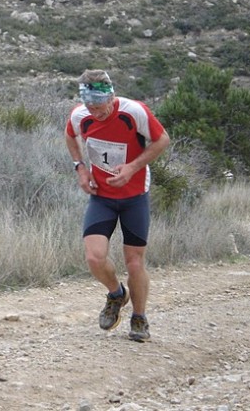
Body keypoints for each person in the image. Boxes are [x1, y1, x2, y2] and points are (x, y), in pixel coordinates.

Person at [65, 69, 170, 342]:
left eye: (99, 107)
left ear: (111, 96)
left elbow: (162, 140)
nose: (95, 113)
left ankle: (139, 317)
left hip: (134, 197)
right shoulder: (80, 115)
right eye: (90, 106)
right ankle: (116, 294)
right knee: (94, 257)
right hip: (102, 197)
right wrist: (81, 169)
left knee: (134, 262)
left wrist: (133, 167)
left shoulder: (134, 112)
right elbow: (70, 136)